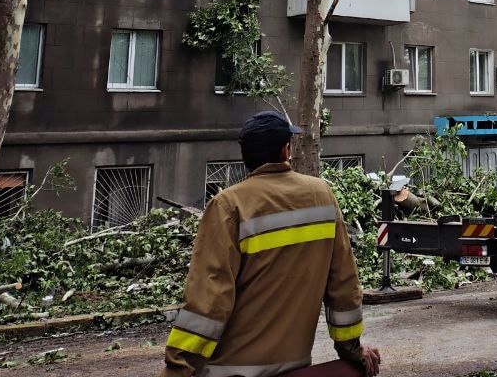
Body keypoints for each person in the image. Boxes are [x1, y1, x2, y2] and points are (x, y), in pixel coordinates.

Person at [161, 110, 381, 377]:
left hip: (226, 370)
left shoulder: (229, 205)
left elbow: (208, 300)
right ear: (286, 150)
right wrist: (352, 350)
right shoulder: (321, 196)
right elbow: (344, 285)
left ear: (245, 156)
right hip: (294, 367)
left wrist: (177, 369)